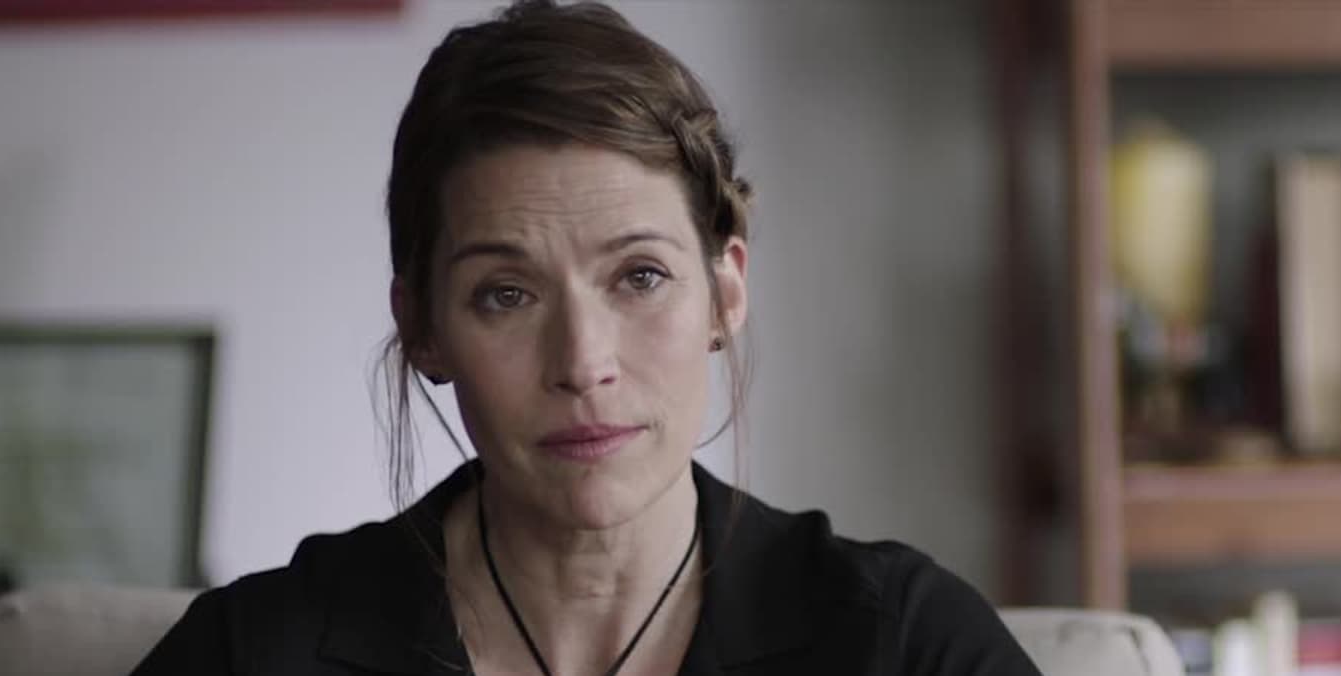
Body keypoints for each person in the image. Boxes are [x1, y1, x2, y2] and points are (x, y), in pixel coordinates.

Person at [131, 1, 1041, 674]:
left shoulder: (902, 643)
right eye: (506, 295)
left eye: (639, 277)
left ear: (725, 290)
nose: (583, 364)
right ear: (422, 330)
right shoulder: (258, 651)